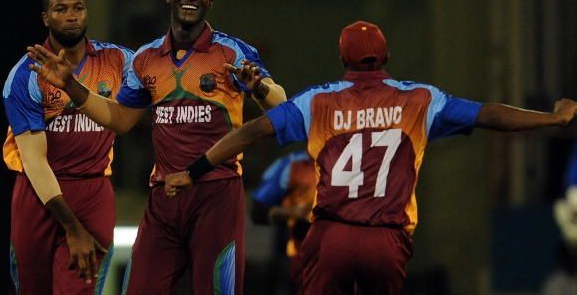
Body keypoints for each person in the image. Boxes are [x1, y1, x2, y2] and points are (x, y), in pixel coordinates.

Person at [164, 20, 577, 294]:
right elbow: (490, 115)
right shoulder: (420, 99)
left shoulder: (319, 101)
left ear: (343, 60)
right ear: (387, 57)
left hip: (330, 238)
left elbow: (251, 132)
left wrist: (194, 170)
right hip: (387, 239)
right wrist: (553, 119)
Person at [25, 0, 287, 294]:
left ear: (210, 1)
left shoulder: (232, 52)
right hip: (164, 198)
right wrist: (71, 86)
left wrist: (260, 88)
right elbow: (120, 120)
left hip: (216, 195)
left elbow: (280, 104)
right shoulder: (146, 58)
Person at [2, 0, 132, 294]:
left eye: (78, 8)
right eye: (61, 9)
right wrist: (72, 227)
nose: (71, 15)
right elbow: (34, 161)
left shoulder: (119, 61)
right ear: (46, 17)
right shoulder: (25, 75)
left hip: (93, 190)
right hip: (39, 195)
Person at [251, 150, 316, 294]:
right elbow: (258, 212)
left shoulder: (356, 160)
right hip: (295, 253)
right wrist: (295, 213)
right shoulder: (292, 164)